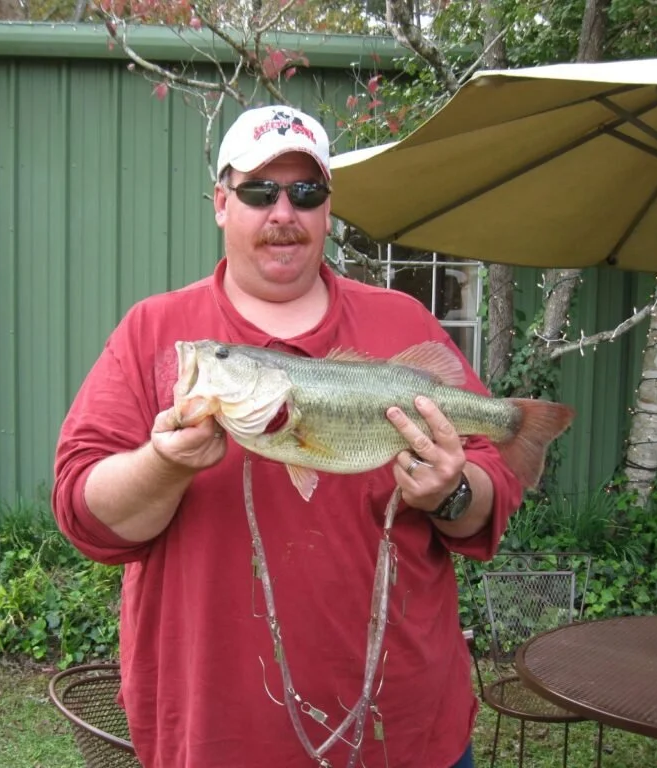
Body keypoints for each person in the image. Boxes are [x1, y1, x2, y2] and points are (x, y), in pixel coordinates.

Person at [53, 105, 524, 768]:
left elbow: (492, 489)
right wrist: (163, 464)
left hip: (403, 731)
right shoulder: (154, 333)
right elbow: (82, 511)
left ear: (328, 210)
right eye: (258, 191)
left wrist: (451, 491)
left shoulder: (403, 323)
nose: (283, 213)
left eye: (306, 193)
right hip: (217, 736)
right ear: (221, 203)